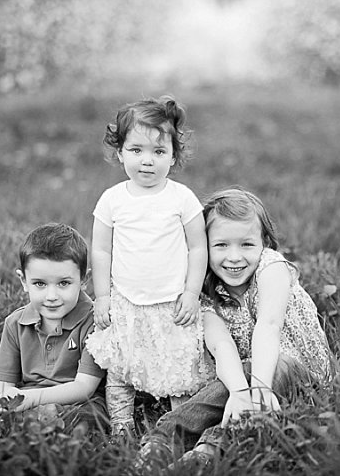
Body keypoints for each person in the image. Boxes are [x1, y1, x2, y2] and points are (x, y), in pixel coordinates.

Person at [136, 187, 334, 470]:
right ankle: (163, 440)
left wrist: (261, 388)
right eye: (221, 245)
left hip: (300, 374)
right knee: (228, 387)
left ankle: (209, 449)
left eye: (247, 245)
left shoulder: (271, 267)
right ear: (203, 247)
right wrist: (242, 391)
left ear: (264, 244)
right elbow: (222, 347)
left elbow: (269, 325)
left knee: (266, 370)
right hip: (248, 372)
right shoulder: (204, 295)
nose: (234, 257)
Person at [85, 95, 214, 436]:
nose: (147, 161)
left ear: (173, 156)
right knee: (121, 363)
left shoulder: (181, 198)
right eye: (136, 150)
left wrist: (191, 291)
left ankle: (179, 424)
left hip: (172, 300)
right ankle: (122, 422)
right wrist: (102, 296)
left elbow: (197, 247)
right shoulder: (113, 199)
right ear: (119, 153)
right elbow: (101, 251)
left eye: (159, 152)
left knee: (179, 365)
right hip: (126, 298)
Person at [0, 222, 108, 432]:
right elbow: (2, 381)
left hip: (76, 402)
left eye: (63, 283)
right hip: (26, 398)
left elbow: (84, 388)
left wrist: (31, 398)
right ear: (24, 281)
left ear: (84, 279)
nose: (52, 296)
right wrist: (6, 397)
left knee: (88, 418)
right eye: (40, 284)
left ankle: (38, 428)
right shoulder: (15, 323)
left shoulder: (95, 322)